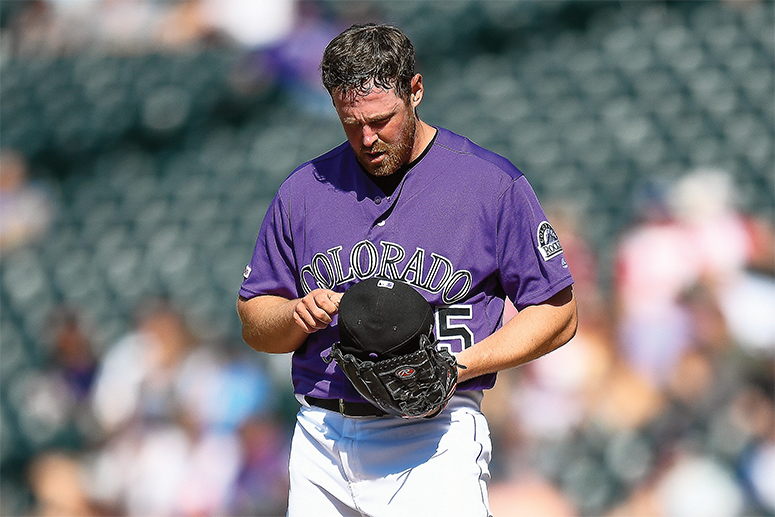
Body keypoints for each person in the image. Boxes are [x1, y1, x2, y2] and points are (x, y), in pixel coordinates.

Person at [237, 23, 577, 517]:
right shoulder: (304, 190)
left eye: (381, 119)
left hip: (432, 435)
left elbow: (557, 313)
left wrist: (460, 367)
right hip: (322, 433)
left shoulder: (488, 185)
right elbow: (254, 321)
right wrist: (294, 314)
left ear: (415, 91)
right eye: (351, 123)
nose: (368, 137)